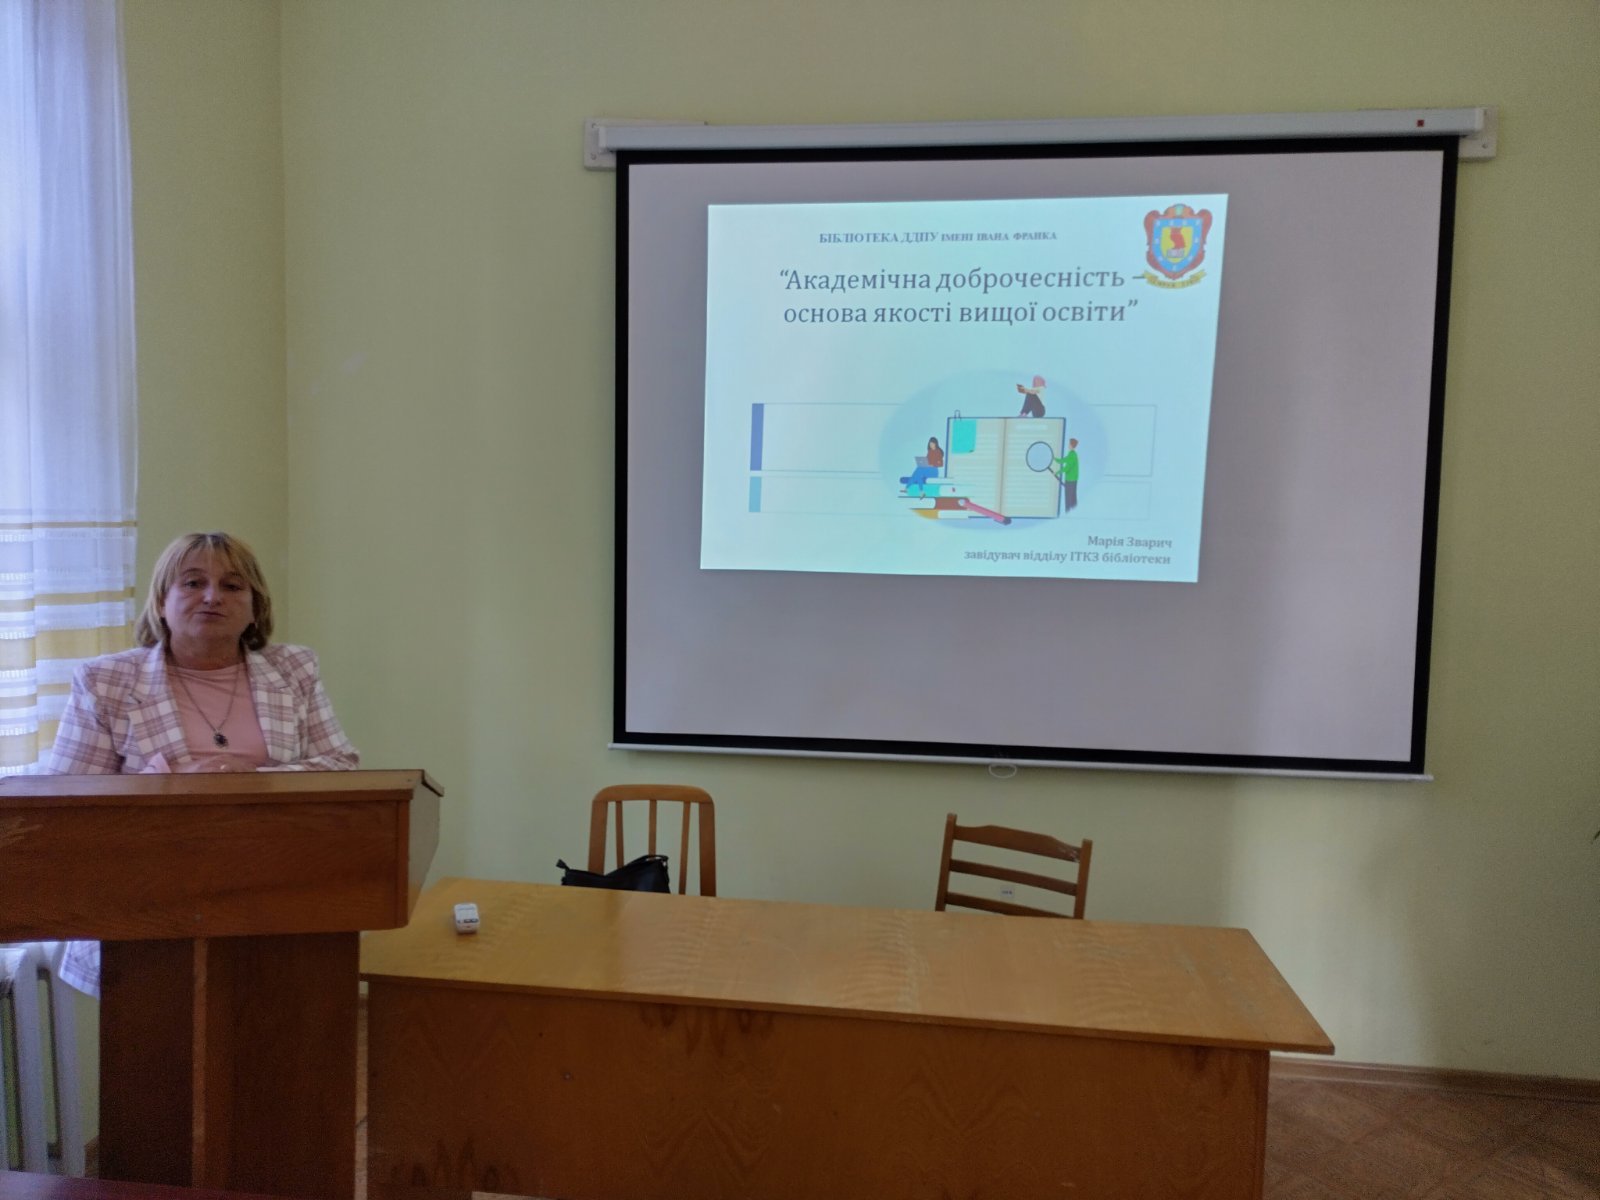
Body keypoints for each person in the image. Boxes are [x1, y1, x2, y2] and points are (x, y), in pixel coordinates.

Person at [43, 531, 360, 992]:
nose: (212, 597)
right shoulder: (105, 681)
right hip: (148, 901)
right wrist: (170, 781)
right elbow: (66, 802)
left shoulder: (294, 670)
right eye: (193, 583)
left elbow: (340, 767)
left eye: (232, 586)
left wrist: (255, 780)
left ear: (255, 608)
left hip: (276, 891)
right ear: (161, 601)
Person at [1055, 437, 1080, 512]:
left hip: (1071, 480)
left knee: (1069, 499)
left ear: (1072, 445)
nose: (1068, 445)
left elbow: (1067, 468)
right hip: (1070, 480)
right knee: (1072, 498)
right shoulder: (1071, 454)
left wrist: (1057, 472)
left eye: (1069, 444)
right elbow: (1062, 460)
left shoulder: (1073, 455)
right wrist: (1053, 458)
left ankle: (1068, 513)